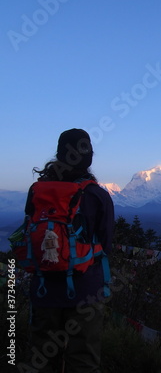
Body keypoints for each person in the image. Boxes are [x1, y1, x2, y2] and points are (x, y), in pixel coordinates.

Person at [22, 129, 114, 373]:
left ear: (60, 155)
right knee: (82, 360)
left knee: (41, 358)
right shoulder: (97, 195)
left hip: (44, 288)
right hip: (85, 291)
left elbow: (28, 232)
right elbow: (106, 244)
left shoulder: (38, 191)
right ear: (89, 158)